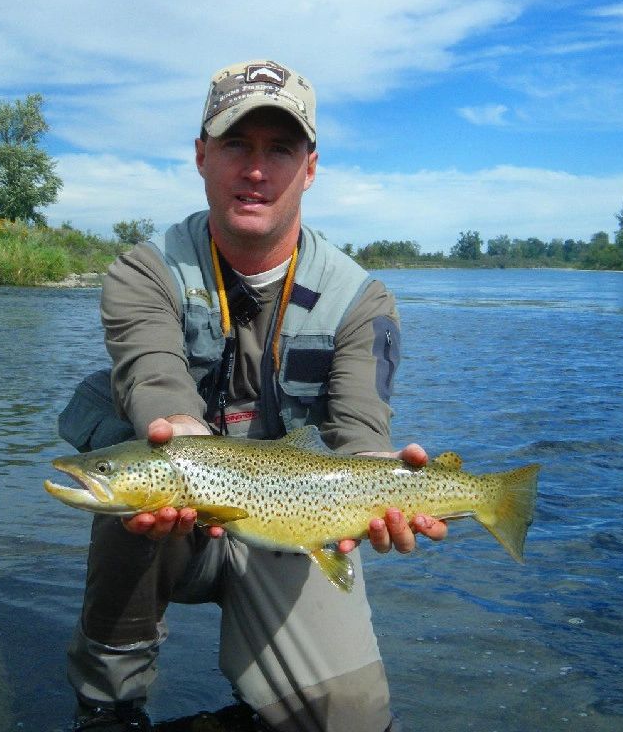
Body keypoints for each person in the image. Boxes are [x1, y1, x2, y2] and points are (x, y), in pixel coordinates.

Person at [58, 59, 447, 732]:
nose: (257, 170)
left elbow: (361, 433)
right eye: (237, 145)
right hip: (181, 527)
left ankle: (260, 703)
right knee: (130, 493)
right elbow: (152, 375)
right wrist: (176, 429)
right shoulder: (144, 272)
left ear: (311, 166)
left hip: (296, 525)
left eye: (280, 149)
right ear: (202, 156)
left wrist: (391, 486)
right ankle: (108, 706)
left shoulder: (362, 300)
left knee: (349, 722)